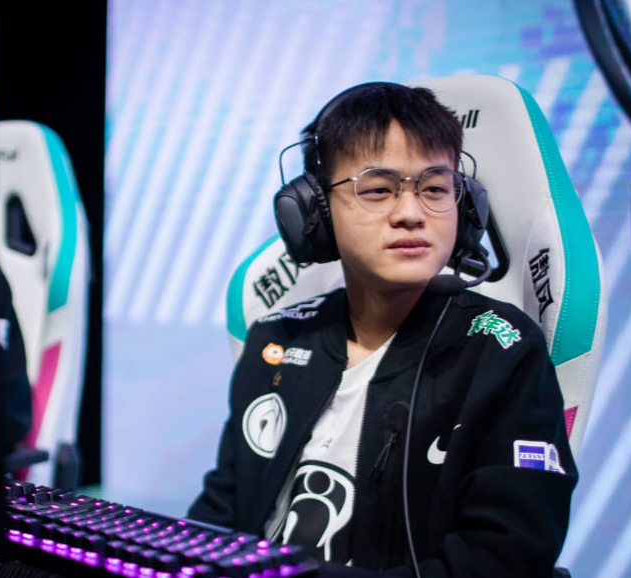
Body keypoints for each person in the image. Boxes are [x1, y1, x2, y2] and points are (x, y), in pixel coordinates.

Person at [189, 82, 576, 578]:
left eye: (435, 189)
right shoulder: (277, 338)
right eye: (377, 190)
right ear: (315, 213)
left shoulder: (501, 351)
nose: (411, 214)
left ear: (465, 208)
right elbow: (220, 517)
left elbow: (506, 558)